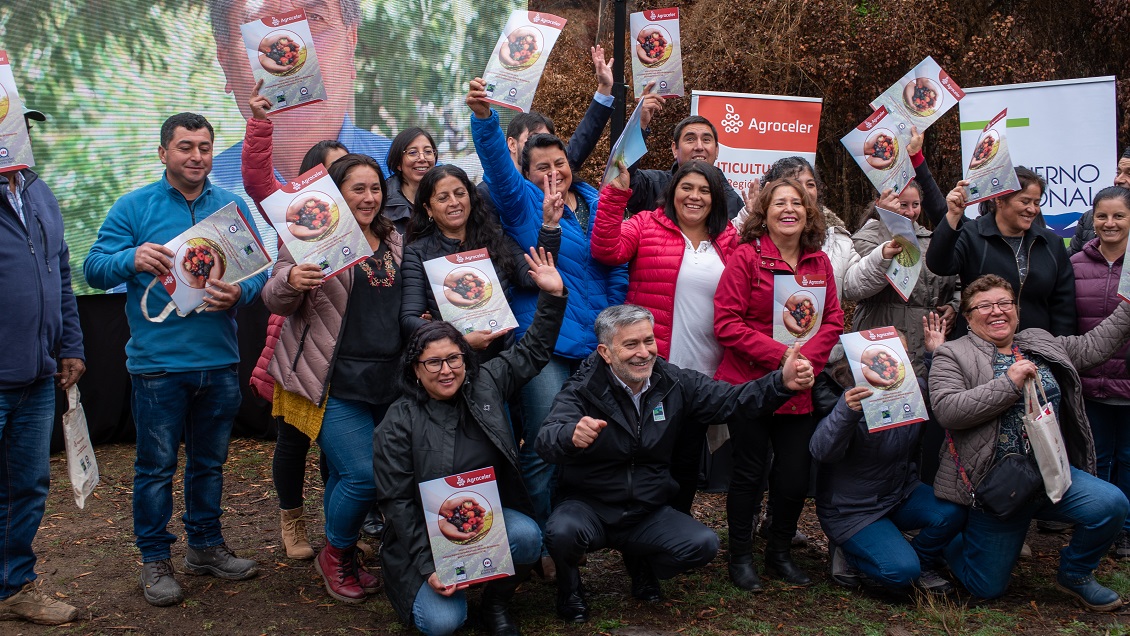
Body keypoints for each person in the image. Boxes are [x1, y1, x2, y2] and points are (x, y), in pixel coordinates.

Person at [84, 112, 267, 607]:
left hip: (219, 361)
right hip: (158, 367)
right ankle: (155, 559)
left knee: (209, 464)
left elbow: (257, 273)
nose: (197, 156)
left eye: (204, 147)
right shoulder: (134, 206)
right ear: (163, 152)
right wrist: (130, 259)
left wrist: (241, 292)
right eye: (185, 147)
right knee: (156, 467)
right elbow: (93, 269)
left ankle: (205, 547)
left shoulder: (230, 205)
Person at [536, 304, 813, 623]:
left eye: (648, 341)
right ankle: (570, 588)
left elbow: (731, 400)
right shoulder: (582, 388)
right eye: (631, 344)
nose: (644, 353)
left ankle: (641, 561)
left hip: (645, 508)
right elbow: (546, 438)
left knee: (702, 545)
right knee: (561, 533)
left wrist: (780, 383)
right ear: (605, 352)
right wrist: (570, 434)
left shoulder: (672, 381)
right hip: (589, 506)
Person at [467, 78, 629, 567]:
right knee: (543, 444)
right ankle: (537, 543)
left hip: (595, 342)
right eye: (542, 166)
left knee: (586, 443)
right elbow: (497, 163)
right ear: (525, 172)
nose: (554, 172)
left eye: (560, 162)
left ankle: (568, 534)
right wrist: (484, 119)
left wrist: (611, 322)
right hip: (546, 343)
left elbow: (615, 263)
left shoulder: (594, 199)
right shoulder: (520, 201)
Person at [374, 248, 566, 636]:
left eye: (454, 359)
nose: (446, 370)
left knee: (527, 536)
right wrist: (429, 566)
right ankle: (445, 587)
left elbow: (534, 350)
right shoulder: (397, 421)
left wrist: (552, 295)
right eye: (433, 362)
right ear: (415, 370)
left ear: (466, 359)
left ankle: (496, 602)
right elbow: (397, 502)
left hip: (483, 519)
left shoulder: (486, 383)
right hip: (425, 537)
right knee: (442, 623)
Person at [930, 274, 1130, 610]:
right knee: (986, 587)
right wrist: (1008, 383)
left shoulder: (1039, 342)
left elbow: (1093, 346)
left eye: (1004, 303)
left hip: (1050, 475)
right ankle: (952, 542)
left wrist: (1127, 307)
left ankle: (1076, 574)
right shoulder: (952, 354)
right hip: (997, 488)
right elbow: (949, 410)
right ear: (968, 318)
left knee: (1111, 505)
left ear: (1017, 310)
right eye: (984, 306)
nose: (997, 311)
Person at [261, 153, 403, 604]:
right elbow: (274, 296)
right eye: (357, 188)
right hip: (329, 380)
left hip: (385, 381)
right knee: (364, 474)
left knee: (347, 473)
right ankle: (336, 555)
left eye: (375, 188)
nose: (369, 197)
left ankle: (342, 552)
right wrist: (291, 279)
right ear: (336, 193)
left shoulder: (393, 238)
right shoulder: (312, 234)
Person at [714, 178, 845, 589]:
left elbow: (834, 320)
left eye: (797, 203)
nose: (789, 209)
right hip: (751, 384)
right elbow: (726, 323)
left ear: (808, 213)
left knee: (793, 477)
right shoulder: (745, 257)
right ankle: (740, 557)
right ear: (764, 214)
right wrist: (782, 357)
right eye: (779, 203)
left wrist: (804, 362)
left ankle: (779, 554)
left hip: (799, 387)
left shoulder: (818, 263)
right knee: (749, 473)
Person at [241, 82, 351, 561]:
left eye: (346, 169)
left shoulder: (367, 223)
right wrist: (260, 124)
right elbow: (257, 181)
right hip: (300, 349)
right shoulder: (297, 215)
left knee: (337, 448)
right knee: (293, 441)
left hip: (349, 352)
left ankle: (339, 527)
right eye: (331, 170)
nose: (340, 179)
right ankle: (291, 520)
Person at [590, 160, 739, 513]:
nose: (694, 196)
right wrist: (615, 196)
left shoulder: (729, 238)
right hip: (655, 368)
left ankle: (677, 526)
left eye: (704, 190)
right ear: (672, 191)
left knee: (687, 458)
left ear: (715, 198)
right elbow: (606, 250)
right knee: (650, 455)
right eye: (687, 187)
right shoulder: (646, 224)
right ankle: (641, 527)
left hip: (706, 371)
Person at [0, 107, 85, 625]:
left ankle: (13, 587)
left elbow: (61, 273)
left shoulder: (38, 191)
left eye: (23, 128)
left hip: (36, 376)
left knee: (26, 488)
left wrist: (70, 345)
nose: (20, 136)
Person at [809, 319, 964, 595]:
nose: (890, 363)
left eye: (899, 355)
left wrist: (935, 354)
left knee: (953, 511)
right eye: (881, 357)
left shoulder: (911, 388)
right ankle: (848, 553)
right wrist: (846, 411)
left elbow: (940, 394)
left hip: (899, 495)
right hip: (852, 510)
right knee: (900, 573)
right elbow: (821, 451)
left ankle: (921, 561)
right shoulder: (848, 396)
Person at [207, 0, 391, 232]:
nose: (294, 63)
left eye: (314, 18)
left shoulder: (419, 176)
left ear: (350, 43)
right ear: (225, 60)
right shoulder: (190, 199)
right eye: (260, 24)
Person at [400, 164, 560, 363]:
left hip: (504, 362)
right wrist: (458, 341)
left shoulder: (494, 238)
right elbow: (409, 319)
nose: (454, 202)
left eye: (460, 193)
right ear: (428, 209)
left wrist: (550, 225)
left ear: (471, 198)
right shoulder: (417, 253)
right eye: (443, 198)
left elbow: (534, 277)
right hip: (454, 365)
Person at [844, 128, 959, 376]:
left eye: (915, 205)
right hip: (882, 335)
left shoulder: (931, 240)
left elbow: (957, 279)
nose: (910, 212)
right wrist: (888, 222)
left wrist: (954, 305)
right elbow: (869, 277)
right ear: (881, 203)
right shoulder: (866, 237)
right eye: (902, 204)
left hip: (927, 342)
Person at [477, 46, 629, 223]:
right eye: (533, 139)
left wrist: (605, 87)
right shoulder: (491, 192)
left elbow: (584, 137)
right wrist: (482, 115)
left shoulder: (560, 174)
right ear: (511, 144)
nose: (553, 172)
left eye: (548, 140)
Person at [926, 167, 1077, 337]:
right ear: (999, 200)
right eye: (1025, 201)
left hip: (1037, 347)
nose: (1032, 209)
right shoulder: (971, 234)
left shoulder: (1051, 243)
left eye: (1036, 203)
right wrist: (953, 215)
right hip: (978, 345)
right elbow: (938, 264)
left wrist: (1058, 347)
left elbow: (1063, 306)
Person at [1070, 186, 1130, 559]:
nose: (1109, 223)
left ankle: (1126, 531)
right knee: (1097, 458)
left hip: (1128, 382)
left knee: (1129, 458)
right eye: (1102, 216)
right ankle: (1099, 527)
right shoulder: (1076, 264)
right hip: (1090, 382)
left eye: (1119, 216)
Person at [625, 114, 744, 218]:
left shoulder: (731, 201)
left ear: (716, 150)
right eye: (690, 139)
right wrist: (640, 124)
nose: (699, 147)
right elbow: (622, 176)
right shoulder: (652, 185)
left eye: (706, 140)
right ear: (675, 149)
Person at [1068, 147, 1130, 254]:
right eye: (1118, 172)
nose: (1119, 179)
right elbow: (1071, 261)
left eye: (1129, 173)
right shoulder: (1089, 218)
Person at [385, 128, 438, 234]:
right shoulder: (382, 202)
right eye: (413, 152)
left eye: (428, 151)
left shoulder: (448, 196)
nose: (422, 158)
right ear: (398, 163)